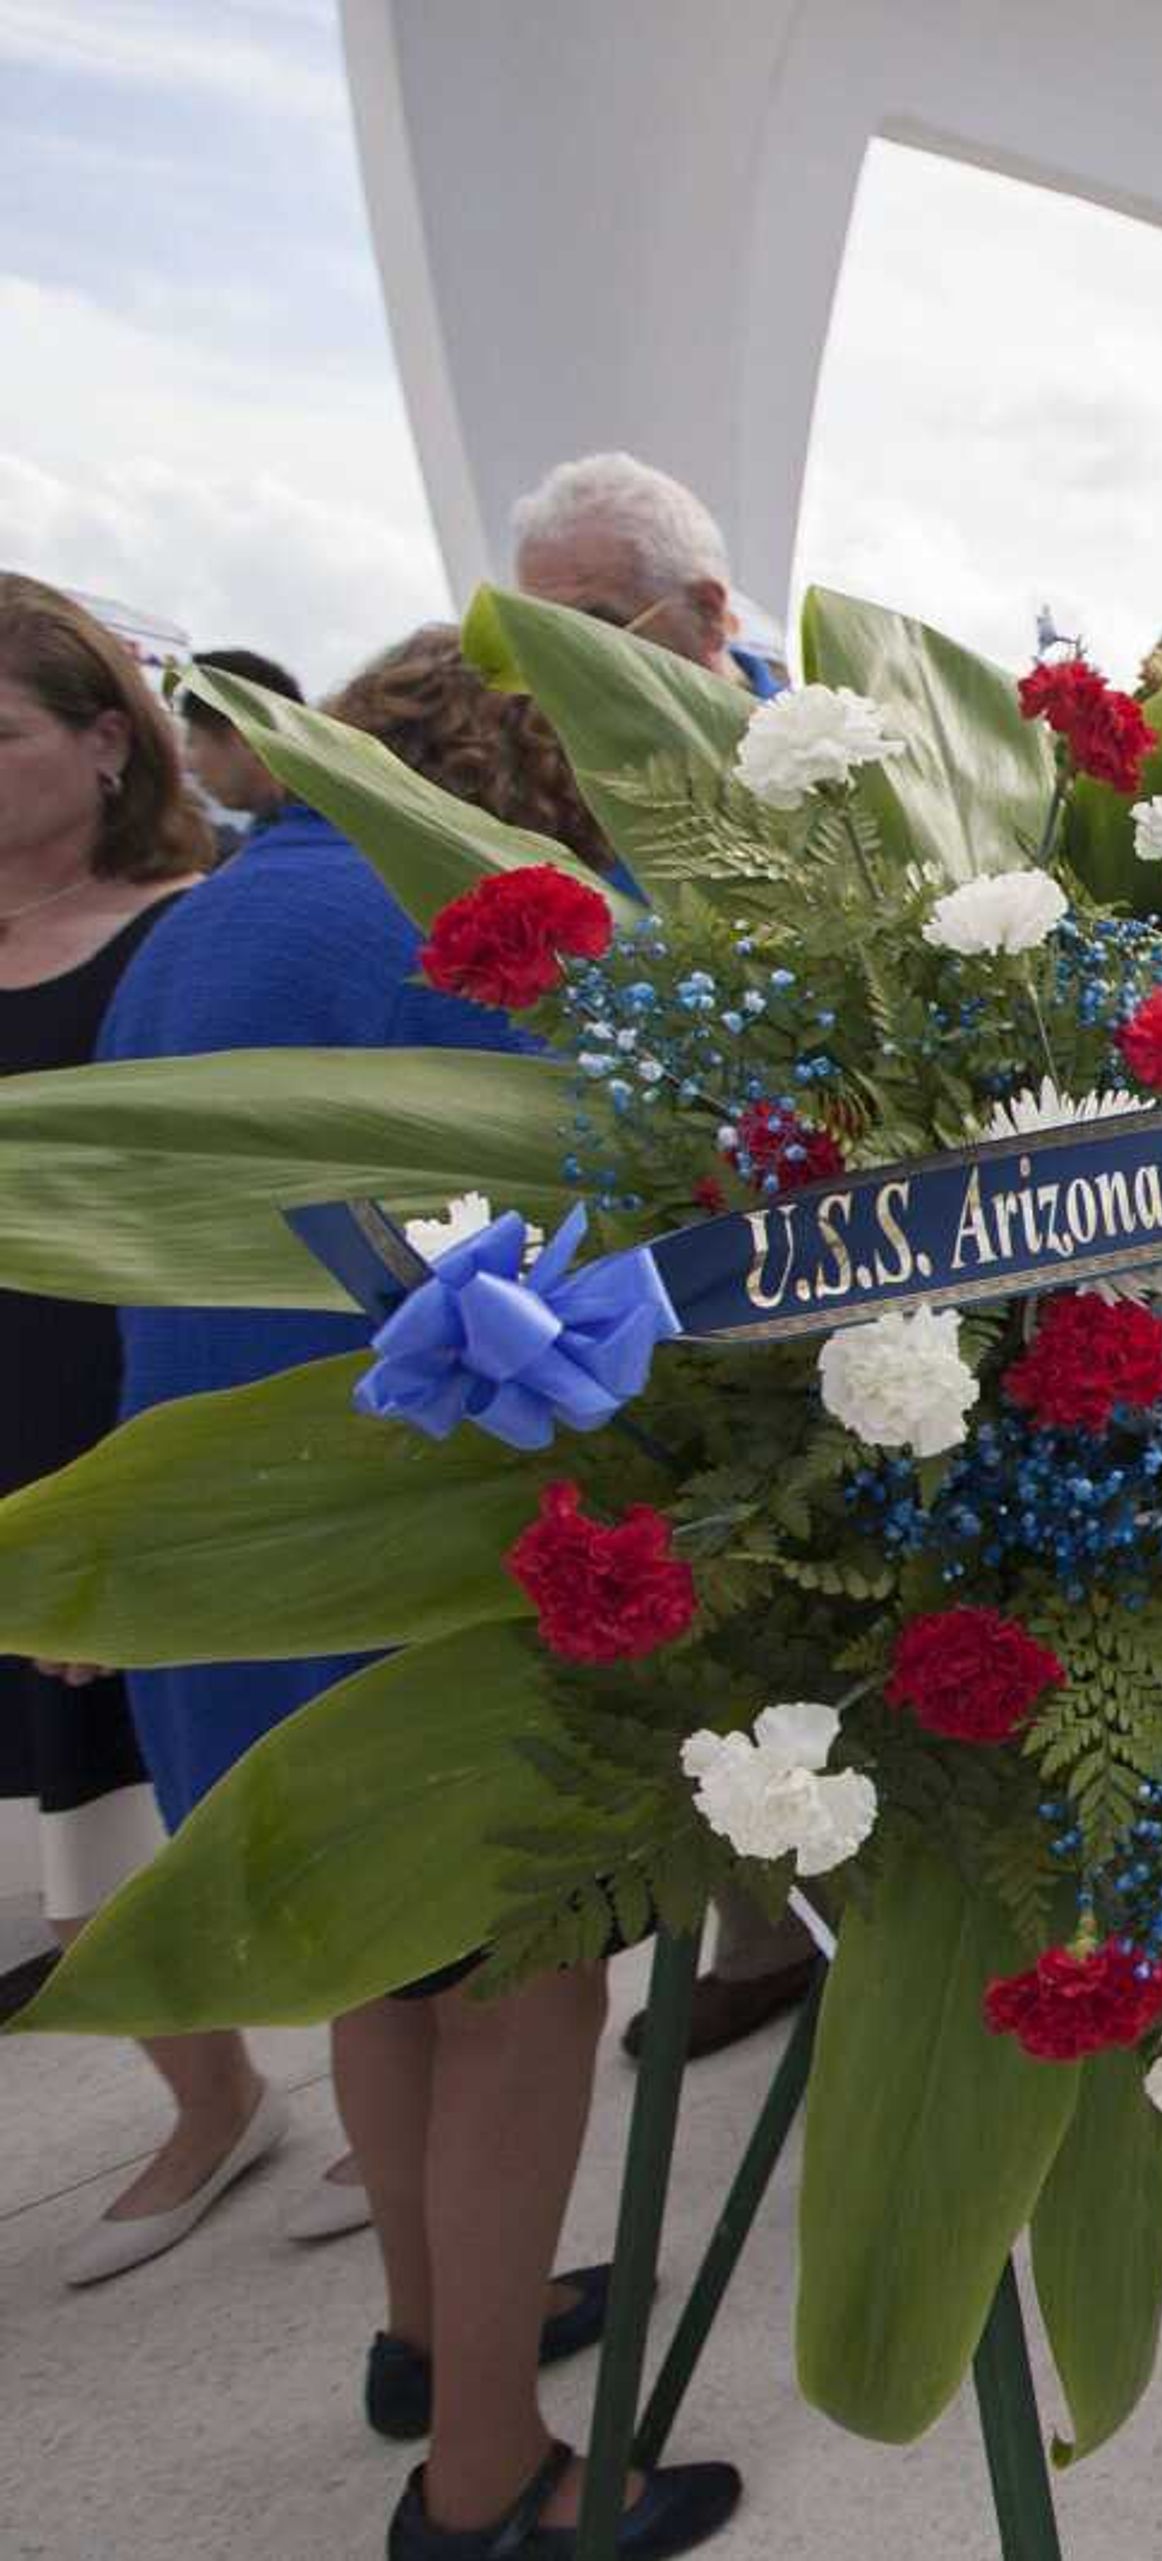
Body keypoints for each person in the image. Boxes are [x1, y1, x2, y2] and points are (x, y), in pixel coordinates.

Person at [100, 626, 742, 2554]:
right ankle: (491, 2479)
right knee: (530, 1980)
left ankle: (428, 2321)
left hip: (233, 1542)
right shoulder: (518, 930)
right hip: (448, 1549)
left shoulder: (201, 923)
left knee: (374, 1964)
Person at [509, 457, 822, 2063]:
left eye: (578, 624)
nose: (548, 669)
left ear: (701, 612)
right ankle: (767, 1923)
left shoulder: (828, 767)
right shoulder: (557, 783)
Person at [0, 577, 288, 2284]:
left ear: (109, 744)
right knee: (70, 1831)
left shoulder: (194, 928)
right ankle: (216, 2093)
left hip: (131, 1395)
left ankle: (369, 2064)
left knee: (214, 1776)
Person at [506, 451, 783, 696]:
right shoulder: (540, 748)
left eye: (593, 634)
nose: (563, 675)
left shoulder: (807, 747)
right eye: (538, 643)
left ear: (707, 613)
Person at [174, 645, 301, 840]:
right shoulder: (351, 829)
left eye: (192, 741)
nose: (187, 763)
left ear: (249, 739)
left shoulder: (268, 862)